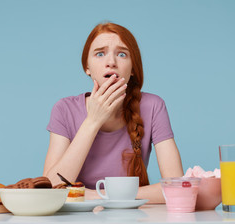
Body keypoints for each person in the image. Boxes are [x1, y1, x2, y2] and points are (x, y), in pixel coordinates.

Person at [43, 22, 183, 203]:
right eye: (100, 54)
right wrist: (93, 121)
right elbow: (51, 188)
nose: (111, 62)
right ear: (87, 67)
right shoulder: (64, 109)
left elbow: (177, 187)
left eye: (122, 54)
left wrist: (98, 196)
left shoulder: (153, 106)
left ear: (132, 68)